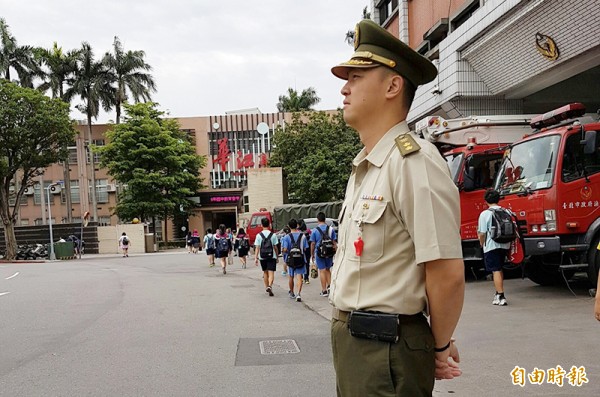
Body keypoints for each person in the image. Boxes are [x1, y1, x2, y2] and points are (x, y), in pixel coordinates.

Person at [329, 19, 465, 396]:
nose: (344, 87)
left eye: (356, 76)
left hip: (385, 351)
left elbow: (446, 270)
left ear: (392, 85)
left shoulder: (413, 162)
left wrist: (439, 345)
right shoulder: (368, 166)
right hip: (358, 347)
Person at [478, 189, 511, 306]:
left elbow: (482, 233)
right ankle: (498, 293)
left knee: (495, 270)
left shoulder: (485, 214)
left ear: (486, 200)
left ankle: (501, 296)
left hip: (491, 245)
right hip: (505, 244)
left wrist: (482, 244)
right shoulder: (506, 211)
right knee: (499, 268)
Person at [281, 219, 309, 302]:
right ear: (297, 225)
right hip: (300, 258)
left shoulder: (286, 237)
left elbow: (285, 249)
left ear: (289, 226)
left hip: (290, 259)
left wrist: (284, 251)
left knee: (291, 276)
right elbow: (305, 248)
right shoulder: (303, 236)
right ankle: (298, 294)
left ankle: (292, 292)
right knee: (299, 276)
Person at [310, 212, 337, 297]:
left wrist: (312, 254)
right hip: (329, 252)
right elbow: (334, 242)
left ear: (317, 219)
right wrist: (335, 251)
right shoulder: (331, 229)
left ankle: (324, 290)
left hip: (319, 252)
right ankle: (330, 287)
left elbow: (313, 243)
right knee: (328, 269)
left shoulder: (314, 230)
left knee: (322, 270)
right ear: (325, 219)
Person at [254, 217, 280, 297]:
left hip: (262, 256)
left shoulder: (258, 235)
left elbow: (257, 247)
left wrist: (256, 258)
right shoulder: (273, 235)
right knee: (271, 272)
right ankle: (270, 286)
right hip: (272, 256)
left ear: (261, 225)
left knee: (265, 272)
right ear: (269, 224)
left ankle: (266, 287)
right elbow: (275, 247)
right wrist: (277, 256)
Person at [298, 219, 312, 284]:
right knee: (307, 264)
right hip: (308, 249)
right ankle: (306, 278)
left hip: (300, 249)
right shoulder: (308, 231)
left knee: (300, 263)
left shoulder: (298, 232)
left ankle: (301, 278)